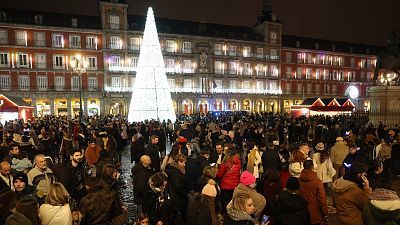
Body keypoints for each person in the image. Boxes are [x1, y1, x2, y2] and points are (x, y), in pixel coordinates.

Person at [299, 160, 328, 225]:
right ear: (312, 168)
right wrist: (325, 212)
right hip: (315, 212)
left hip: (301, 211)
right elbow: (322, 198)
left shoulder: (299, 180)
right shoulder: (317, 182)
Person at [165, 154, 189, 224]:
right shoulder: (176, 173)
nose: (184, 165)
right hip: (178, 199)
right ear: (179, 162)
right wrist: (186, 190)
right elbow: (178, 186)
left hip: (173, 197)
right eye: (184, 163)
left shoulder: (170, 169)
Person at [216, 147, 241, 213]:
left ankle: (225, 214)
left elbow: (220, 174)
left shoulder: (225, 162)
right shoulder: (238, 162)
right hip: (235, 185)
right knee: (232, 201)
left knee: (224, 201)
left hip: (225, 185)